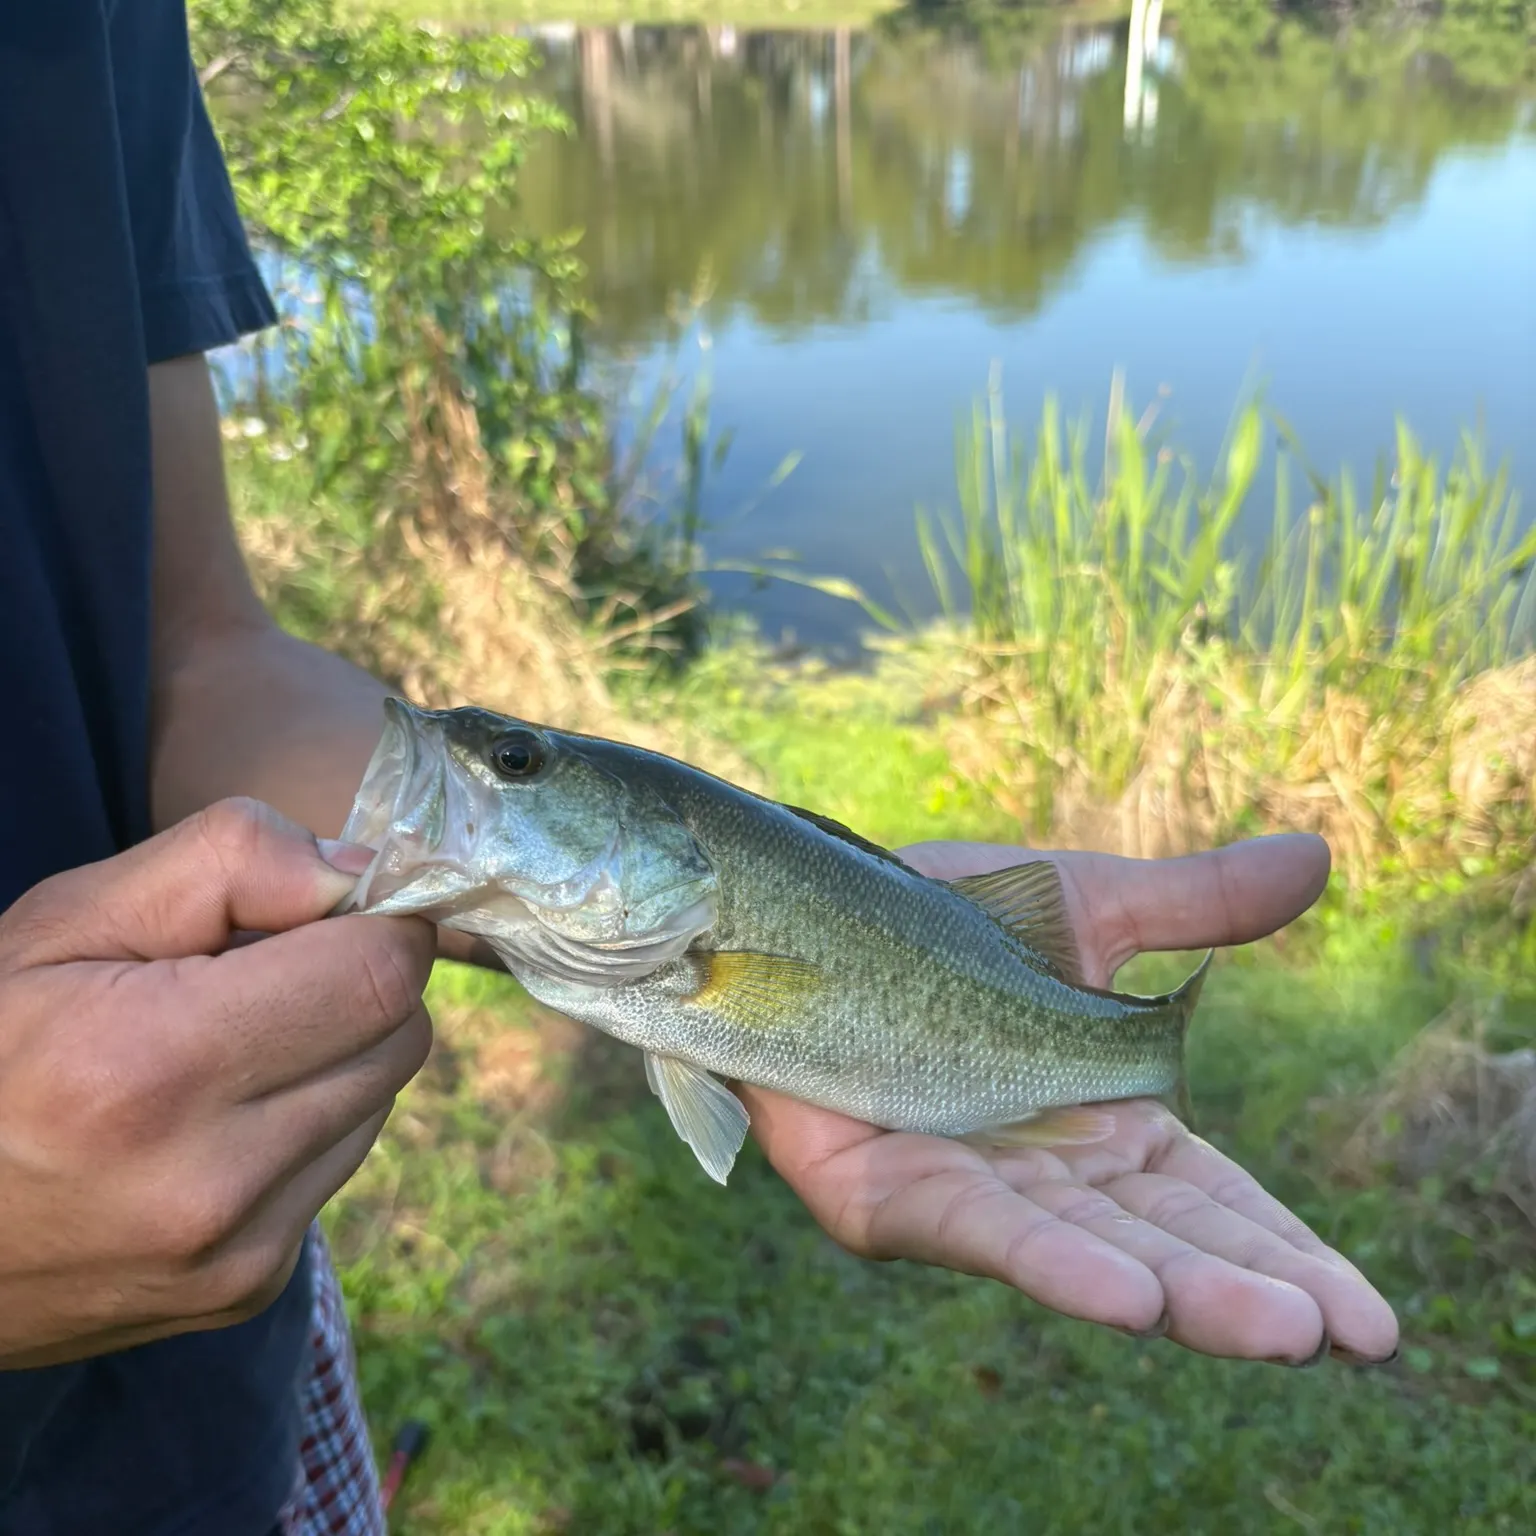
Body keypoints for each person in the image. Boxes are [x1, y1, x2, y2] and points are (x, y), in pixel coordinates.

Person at [0, 2, 1399, 1532]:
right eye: (514, 767)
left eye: (516, 765)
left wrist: (432, 856)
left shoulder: (97, 30)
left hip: (211, 1413)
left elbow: (195, 650)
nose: (481, 767)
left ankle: (1128, 1048)